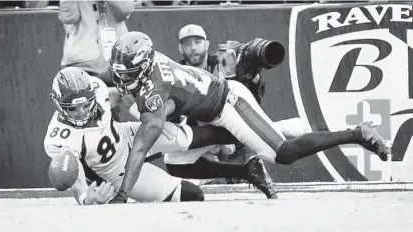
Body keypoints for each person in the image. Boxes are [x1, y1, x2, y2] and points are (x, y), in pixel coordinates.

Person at [107, 31, 390, 204]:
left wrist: (122, 193)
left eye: (127, 72)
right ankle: (246, 170)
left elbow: (142, 145)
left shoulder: (156, 90)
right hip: (204, 113)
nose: (122, 77)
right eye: (119, 70)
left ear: (144, 65)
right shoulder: (150, 64)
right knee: (179, 165)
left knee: (284, 154)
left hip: (229, 104)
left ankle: (358, 134)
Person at [43, 67, 278, 204]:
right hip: (116, 173)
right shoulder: (58, 137)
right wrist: (86, 197)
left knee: (198, 137)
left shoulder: (97, 89)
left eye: (85, 105)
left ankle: (269, 133)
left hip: (129, 136)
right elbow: (72, 176)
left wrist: (147, 114)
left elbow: (119, 97)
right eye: (73, 109)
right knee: (193, 194)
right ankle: (246, 170)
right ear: (59, 105)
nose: (82, 112)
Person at [175, 24, 305, 185]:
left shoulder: (225, 62)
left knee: (253, 179)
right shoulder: (177, 73)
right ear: (180, 49)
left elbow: (251, 101)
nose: (193, 48)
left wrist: (250, 74)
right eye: (187, 44)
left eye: (197, 42)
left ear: (207, 44)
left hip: (235, 138)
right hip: (202, 142)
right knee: (193, 189)